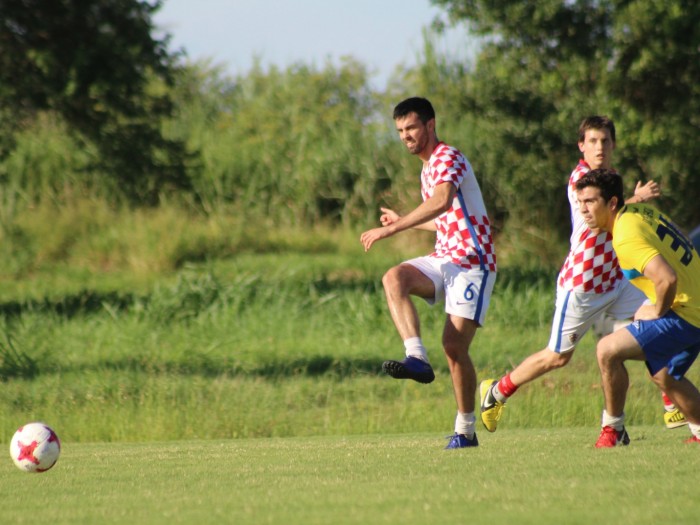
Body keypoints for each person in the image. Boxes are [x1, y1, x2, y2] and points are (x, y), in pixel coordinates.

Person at [478, 116, 684, 433]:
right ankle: (496, 391)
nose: (599, 147)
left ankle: (671, 403)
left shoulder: (611, 176)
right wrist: (636, 199)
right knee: (557, 357)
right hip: (583, 284)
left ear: (613, 144)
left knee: (657, 320)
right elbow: (603, 214)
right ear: (581, 146)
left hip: (617, 280)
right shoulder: (580, 180)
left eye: (604, 141)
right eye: (592, 141)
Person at [360, 97, 497, 449]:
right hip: (445, 256)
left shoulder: (447, 156)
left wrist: (391, 230)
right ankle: (416, 358)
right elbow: (445, 219)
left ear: (431, 125)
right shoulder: (427, 168)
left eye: (412, 128)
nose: (406, 136)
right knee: (394, 278)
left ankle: (465, 430)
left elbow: (443, 200)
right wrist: (403, 223)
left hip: (471, 261)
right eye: (400, 131)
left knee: (453, 347)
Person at [574, 168, 700, 446]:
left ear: (612, 203)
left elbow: (667, 278)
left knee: (607, 350)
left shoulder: (626, 235)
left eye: (590, 202)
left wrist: (657, 309)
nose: (583, 210)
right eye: (580, 202)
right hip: (695, 305)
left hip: (688, 312)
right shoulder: (638, 213)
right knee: (666, 376)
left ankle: (613, 430)